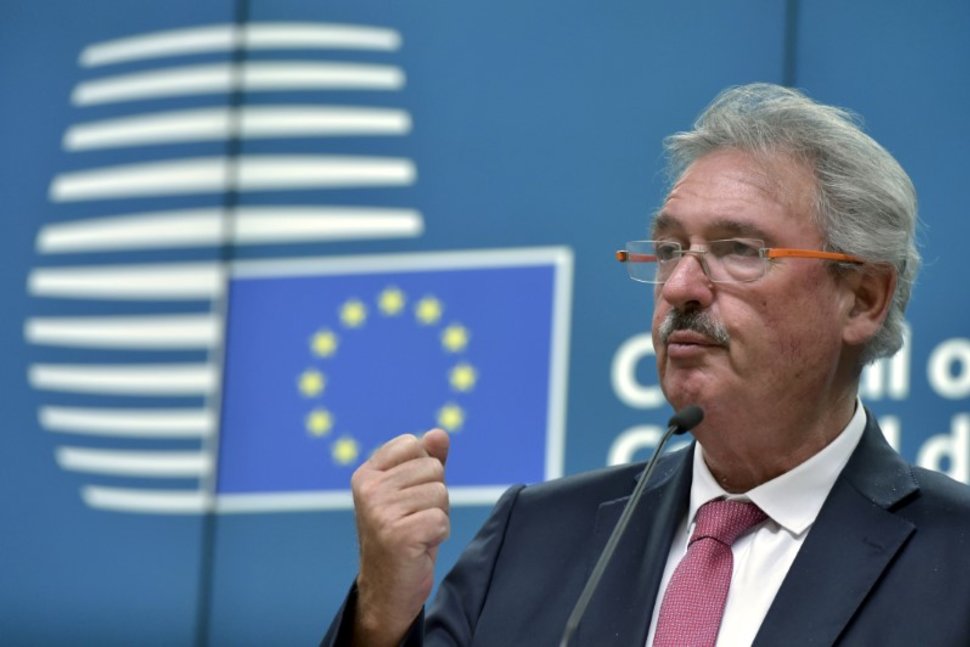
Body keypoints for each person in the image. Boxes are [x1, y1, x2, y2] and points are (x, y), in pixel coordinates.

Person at [322, 83, 970, 646]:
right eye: (667, 248)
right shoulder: (531, 540)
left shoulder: (955, 559)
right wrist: (380, 620)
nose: (681, 284)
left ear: (862, 298)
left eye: (738, 249)